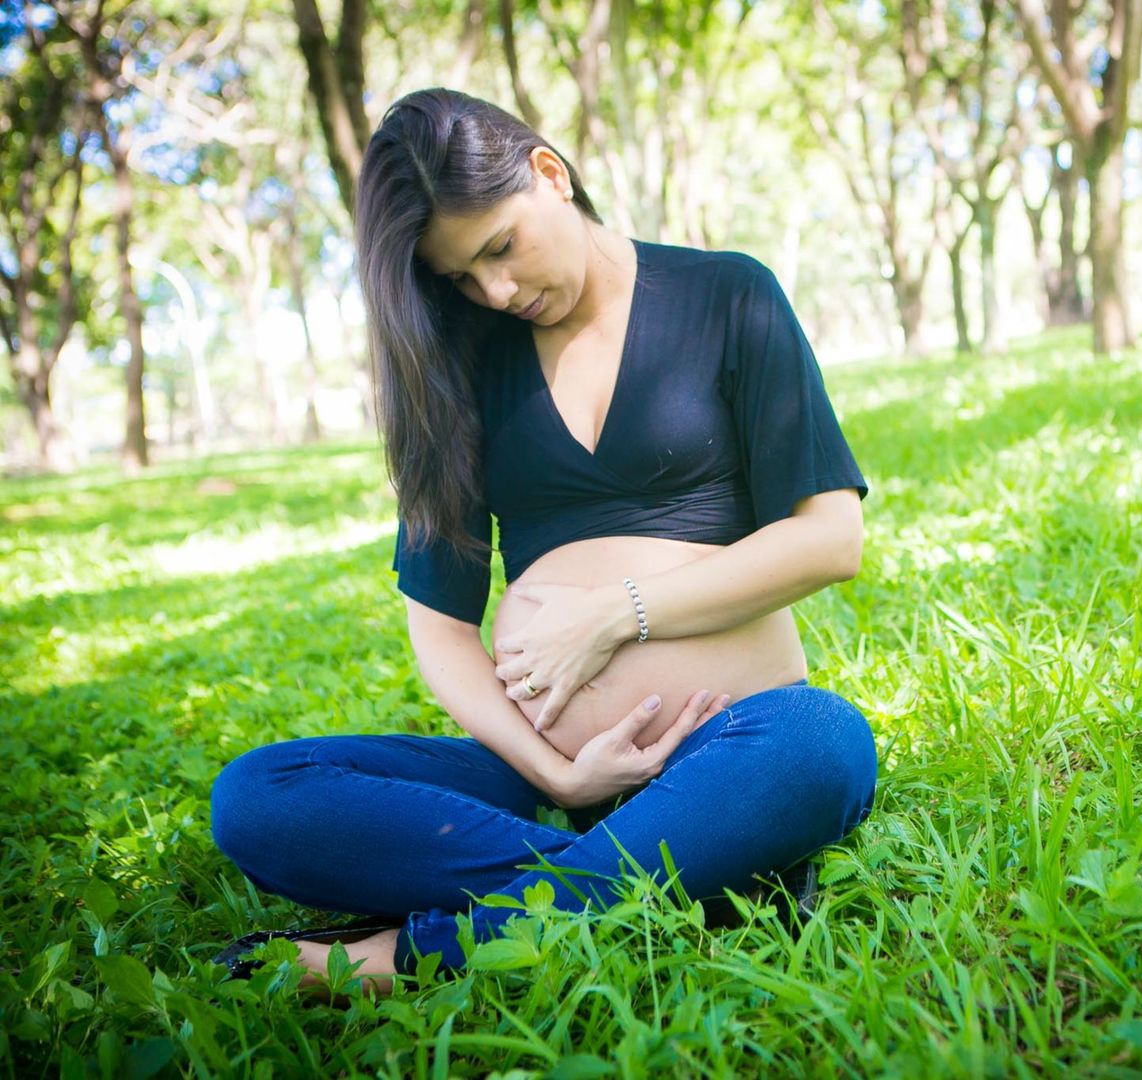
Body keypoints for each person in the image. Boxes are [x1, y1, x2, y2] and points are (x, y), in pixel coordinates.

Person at [208, 88, 879, 989]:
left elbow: (829, 538)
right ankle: (684, 879)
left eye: (498, 248)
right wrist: (559, 778)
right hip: (538, 775)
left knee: (822, 744)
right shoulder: (462, 369)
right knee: (259, 799)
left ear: (549, 175)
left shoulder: (728, 295)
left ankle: (408, 955)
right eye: (459, 279)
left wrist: (613, 616)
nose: (495, 291)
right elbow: (441, 632)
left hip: (736, 739)